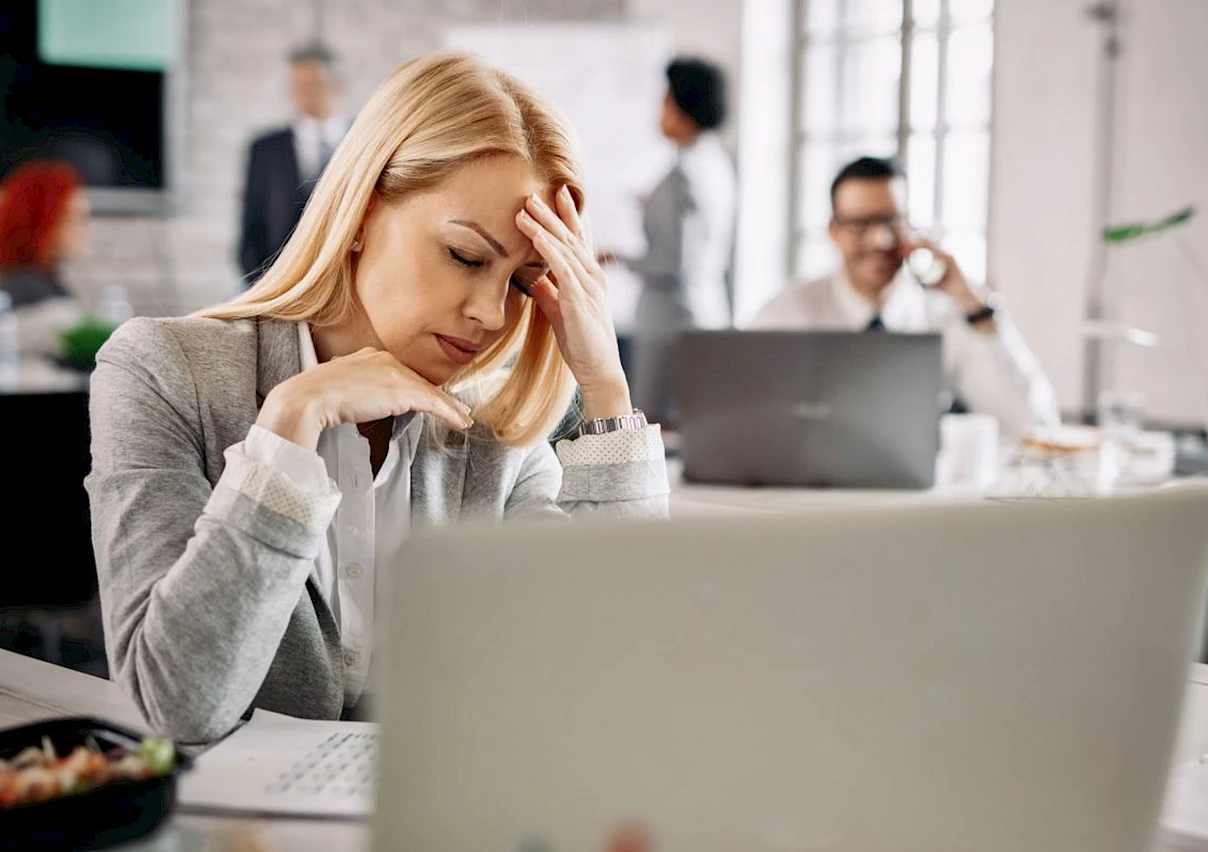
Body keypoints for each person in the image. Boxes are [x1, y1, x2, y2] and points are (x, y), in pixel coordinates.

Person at [87, 53, 669, 744]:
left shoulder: (495, 432)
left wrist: (607, 389)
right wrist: (286, 434)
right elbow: (177, 702)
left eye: (522, 283)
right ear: (362, 211)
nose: (490, 313)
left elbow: (616, 678)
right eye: (466, 256)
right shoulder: (163, 372)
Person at [752, 157, 1058, 438]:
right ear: (834, 231)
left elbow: (1030, 423)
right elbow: (753, 419)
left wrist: (972, 304)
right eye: (860, 225)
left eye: (892, 222)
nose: (880, 240)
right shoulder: (788, 312)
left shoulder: (946, 311)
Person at [601, 57, 736, 425]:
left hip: (670, 322)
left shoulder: (684, 176)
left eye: (665, 100)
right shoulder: (715, 163)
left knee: (652, 428)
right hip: (703, 311)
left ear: (683, 108)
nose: (659, 111)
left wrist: (617, 258)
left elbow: (673, 263)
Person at [238, 43, 347, 285]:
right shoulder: (265, 149)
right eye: (296, 86)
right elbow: (252, 225)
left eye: (312, 85)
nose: (303, 94)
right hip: (278, 281)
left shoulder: (363, 140)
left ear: (336, 86)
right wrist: (261, 285)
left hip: (345, 280)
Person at [0, 159, 89, 356]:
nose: (82, 230)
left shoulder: (44, 282)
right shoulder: (24, 289)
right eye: (73, 219)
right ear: (42, 222)